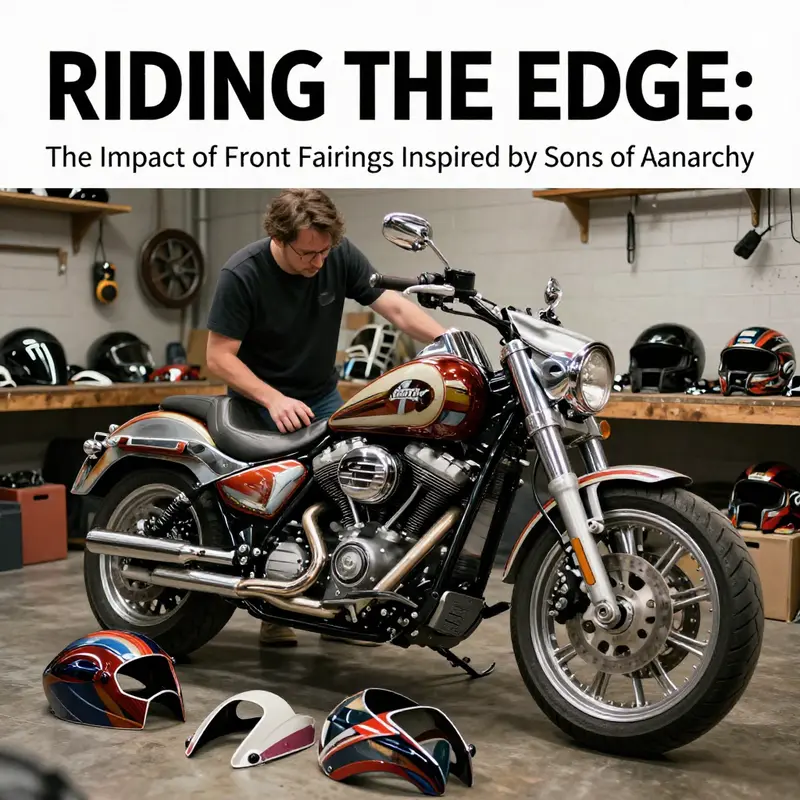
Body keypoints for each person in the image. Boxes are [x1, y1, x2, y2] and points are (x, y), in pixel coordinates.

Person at [205, 188, 447, 647]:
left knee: (353, 488)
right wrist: (273, 399)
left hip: (320, 397)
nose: (318, 262)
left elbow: (393, 306)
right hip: (258, 403)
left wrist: (450, 340)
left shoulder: (336, 255)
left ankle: (340, 599)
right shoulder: (243, 273)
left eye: (324, 251)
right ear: (279, 238)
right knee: (277, 507)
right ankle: (275, 609)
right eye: (307, 253)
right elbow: (218, 356)